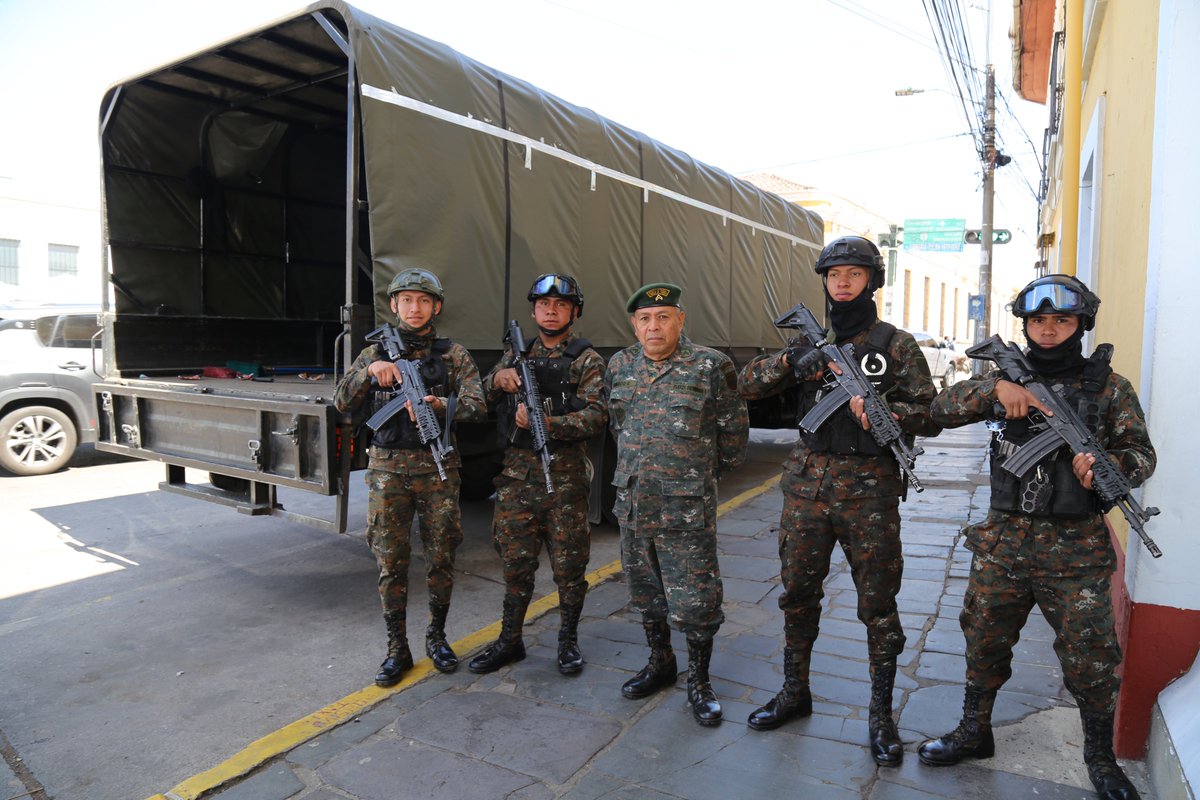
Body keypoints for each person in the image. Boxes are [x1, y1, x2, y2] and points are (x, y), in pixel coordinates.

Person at [918, 275, 1155, 800]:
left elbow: (1141, 453)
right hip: (1003, 543)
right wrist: (992, 390)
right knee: (983, 639)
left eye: (1062, 320)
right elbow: (937, 410)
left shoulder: (1109, 389)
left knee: (1091, 658)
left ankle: (1099, 756)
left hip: (1076, 550)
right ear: (1025, 325)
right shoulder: (1004, 375)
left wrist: (1113, 465)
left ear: (1080, 325)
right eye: (1039, 321)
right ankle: (974, 731)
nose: (1049, 330)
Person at [737, 235, 940, 766]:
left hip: (869, 493)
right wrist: (793, 360)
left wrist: (889, 415)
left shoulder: (896, 344)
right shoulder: (811, 341)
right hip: (806, 488)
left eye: (854, 274)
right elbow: (748, 384)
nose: (843, 283)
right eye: (834, 275)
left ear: (872, 280)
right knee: (797, 593)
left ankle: (880, 713)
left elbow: (930, 410)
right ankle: (794, 690)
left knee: (878, 605)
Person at [605, 282, 748, 726]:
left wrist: (693, 476)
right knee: (646, 592)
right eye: (645, 319)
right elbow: (619, 428)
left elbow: (733, 437)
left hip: (685, 509)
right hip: (634, 504)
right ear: (634, 324)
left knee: (696, 597)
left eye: (664, 317)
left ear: (680, 320)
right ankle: (660, 663)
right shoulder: (621, 365)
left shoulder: (710, 366)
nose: (654, 326)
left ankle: (699, 681)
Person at [334, 267, 485, 687]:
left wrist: (440, 406)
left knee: (441, 558)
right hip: (387, 472)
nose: (414, 308)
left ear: (435, 306)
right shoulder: (373, 352)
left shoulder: (453, 355)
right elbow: (342, 402)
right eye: (406, 301)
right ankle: (396, 648)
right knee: (390, 562)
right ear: (395, 305)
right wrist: (370, 373)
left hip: (438, 471)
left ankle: (436, 637)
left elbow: (477, 406)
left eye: (422, 301)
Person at [468, 274, 607, 676]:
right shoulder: (516, 354)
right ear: (533, 311)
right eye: (544, 305)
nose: (551, 311)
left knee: (569, 567)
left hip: (564, 480)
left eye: (560, 305)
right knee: (515, 565)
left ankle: (567, 642)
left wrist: (549, 423)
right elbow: (479, 399)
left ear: (573, 312)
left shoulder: (586, 359)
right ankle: (510, 640)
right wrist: (497, 378)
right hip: (516, 480)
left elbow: (598, 415)